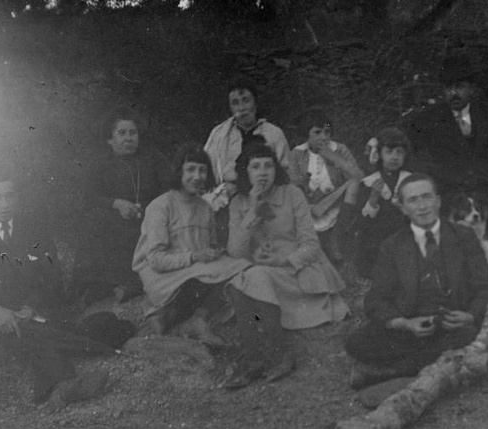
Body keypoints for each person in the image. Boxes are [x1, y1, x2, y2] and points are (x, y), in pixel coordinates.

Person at [0, 167, 108, 426]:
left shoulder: (35, 229)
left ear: (18, 198)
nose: (4, 204)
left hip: (26, 308)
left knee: (42, 326)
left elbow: (52, 277)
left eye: (9, 196)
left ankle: (60, 387)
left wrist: (30, 307)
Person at [344, 173, 488, 389]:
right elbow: (376, 298)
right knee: (356, 341)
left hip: (453, 325)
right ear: (403, 208)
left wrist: (470, 315)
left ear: (438, 201)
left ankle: (388, 373)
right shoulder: (392, 245)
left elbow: (487, 287)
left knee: (468, 336)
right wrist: (404, 323)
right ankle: (422, 367)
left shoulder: (463, 236)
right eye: (413, 200)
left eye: (427, 197)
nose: (422, 206)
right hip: (411, 328)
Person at [222, 142, 349, 388]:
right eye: (255, 167)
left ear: (275, 170)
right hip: (266, 281)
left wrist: (282, 260)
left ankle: (273, 355)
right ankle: (258, 358)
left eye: (268, 166)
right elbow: (235, 251)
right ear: (245, 172)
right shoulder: (239, 203)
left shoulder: (292, 194)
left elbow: (311, 245)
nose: (262, 172)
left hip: (298, 273)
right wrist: (251, 210)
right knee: (242, 282)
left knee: (250, 278)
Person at [132, 144, 251, 345]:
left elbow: (209, 246)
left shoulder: (205, 207)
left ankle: (197, 319)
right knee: (231, 272)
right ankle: (165, 310)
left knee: (241, 268)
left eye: (202, 170)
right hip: (164, 274)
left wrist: (213, 252)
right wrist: (195, 256)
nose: (197, 176)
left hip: (193, 270)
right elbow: (156, 260)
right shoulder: (160, 206)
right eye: (190, 170)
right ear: (178, 171)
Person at [403, 53, 488, 237]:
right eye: (449, 88)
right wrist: (377, 141)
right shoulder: (429, 118)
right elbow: (404, 138)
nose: (454, 93)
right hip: (450, 189)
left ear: (471, 88)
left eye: (460, 87)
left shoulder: (487, 114)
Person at [80, 109, 170, 303]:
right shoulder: (101, 164)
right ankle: (99, 284)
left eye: (132, 133)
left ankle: (132, 283)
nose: (128, 138)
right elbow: (88, 195)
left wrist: (149, 209)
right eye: (122, 133)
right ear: (110, 139)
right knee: (95, 220)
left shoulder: (154, 158)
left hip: (149, 220)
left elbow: (168, 191)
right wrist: (116, 203)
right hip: (115, 221)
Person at [286, 107, 364, 267]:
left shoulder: (338, 149)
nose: (324, 137)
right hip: (309, 206)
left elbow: (359, 176)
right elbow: (293, 183)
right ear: (307, 134)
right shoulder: (297, 153)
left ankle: (336, 236)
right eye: (317, 132)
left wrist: (332, 156)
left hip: (337, 205)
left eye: (327, 132)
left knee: (354, 183)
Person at [202, 80, 291, 213]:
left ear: (255, 104)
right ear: (230, 108)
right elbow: (208, 166)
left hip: (266, 198)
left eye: (246, 100)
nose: (241, 108)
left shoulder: (274, 134)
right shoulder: (219, 134)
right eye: (235, 103)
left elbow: (285, 172)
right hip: (227, 200)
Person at [352, 126, 414, 280]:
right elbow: (363, 220)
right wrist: (373, 197)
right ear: (379, 154)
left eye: (399, 152)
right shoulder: (369, 182)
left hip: (405, 232)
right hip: (379, 235)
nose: (394, 157)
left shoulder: (410, 180)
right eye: (389, 152)